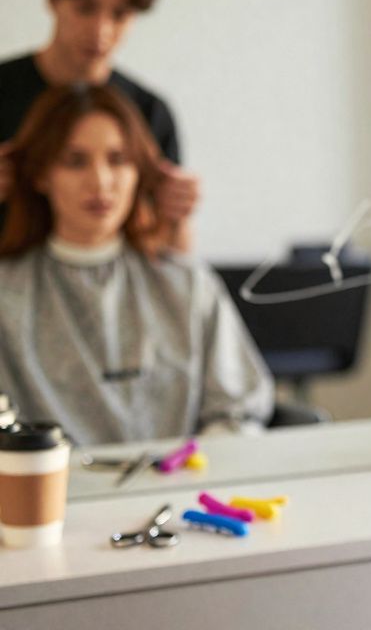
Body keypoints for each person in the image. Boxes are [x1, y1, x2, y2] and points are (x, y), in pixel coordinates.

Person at [0, 85, 272, 446]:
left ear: (139, 173)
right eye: (75, 161)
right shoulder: (8, 293)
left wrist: (196, 470)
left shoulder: (185, 284)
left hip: (181, 491)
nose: (100, 182)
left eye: (118, 159)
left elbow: (238, 411)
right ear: (41, 175)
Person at [0, 0, 198, 251]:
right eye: (85, 8)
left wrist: (177, 214)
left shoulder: (149, 113)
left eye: (119, 14)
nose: (101, 29)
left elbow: (170, 255)